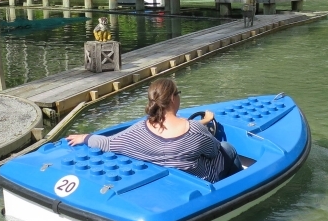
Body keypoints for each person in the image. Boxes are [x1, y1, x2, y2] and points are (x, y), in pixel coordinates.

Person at [66, 78, 238, 182]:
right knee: (227, 148)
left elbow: (108, 143)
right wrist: (206, 124)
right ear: (172, 98)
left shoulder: (139, 130)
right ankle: (237, 185)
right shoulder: (193, 130)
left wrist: (86, 137)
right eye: (178, 93)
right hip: (202, 179)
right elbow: (214, 150)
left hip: (170, 179)